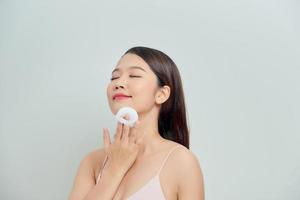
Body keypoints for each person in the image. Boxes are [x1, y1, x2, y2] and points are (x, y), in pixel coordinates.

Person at [68, 46, 205, 200]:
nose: (119, 83)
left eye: (134, 75)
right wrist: (114, 169)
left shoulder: (181, 161)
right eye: (114, 77)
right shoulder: (92, 162)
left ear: (161, 94)